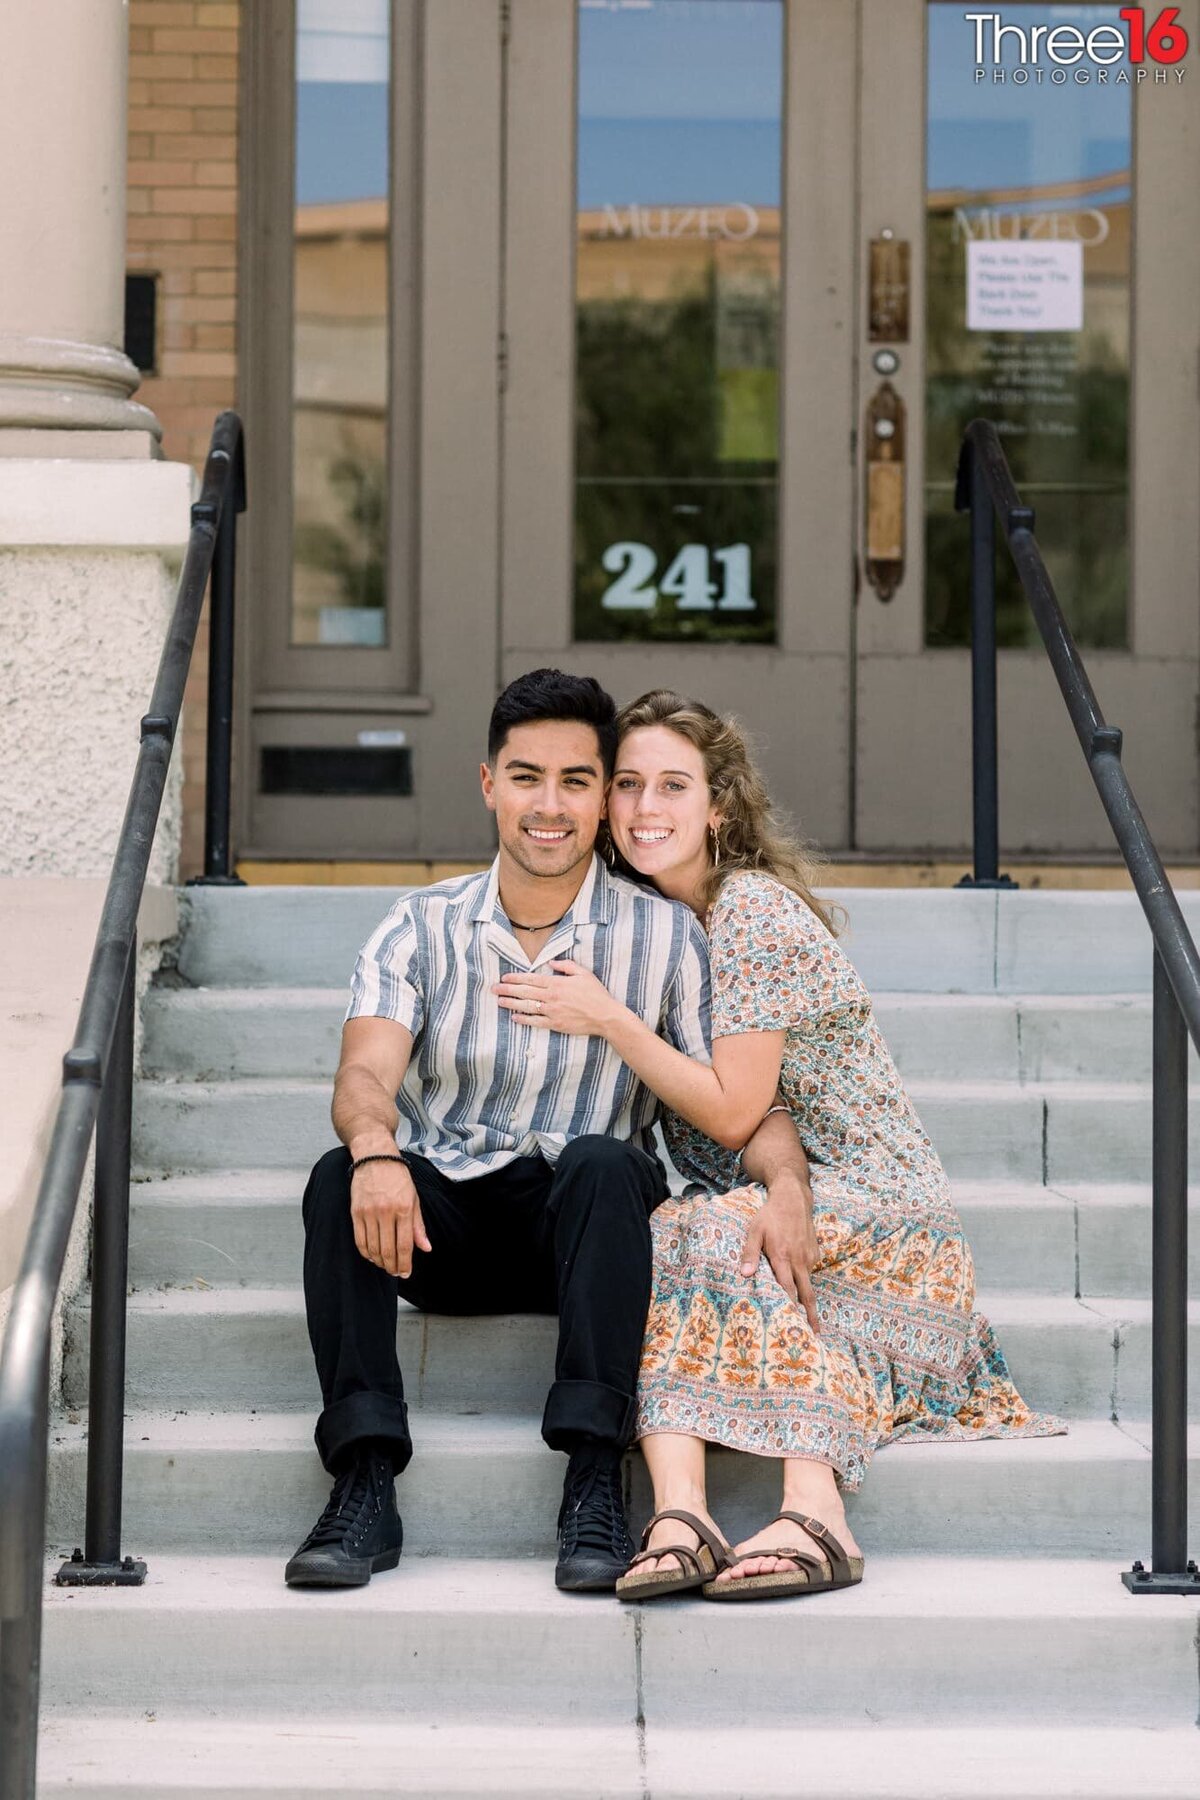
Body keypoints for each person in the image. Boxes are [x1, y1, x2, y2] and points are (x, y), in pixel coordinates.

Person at [496, 689, 1066, 1601]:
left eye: (673, 786)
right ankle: (684, 1517)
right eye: (631, 785)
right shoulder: (647, 926)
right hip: (781, 1193)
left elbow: (732, 1111)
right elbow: (758, 1126)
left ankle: (817, 1513)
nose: (647, 809)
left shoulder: (749, 909)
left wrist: (608, 1019)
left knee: (713, 1231)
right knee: (677, 1230)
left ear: (717, 806)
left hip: (886, 1209)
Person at [285, 669, 809, 1594]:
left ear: (605, 797)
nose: (550, 806)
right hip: (437, 1227)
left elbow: (738, 1099)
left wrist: (789, 1185)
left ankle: (594, 1483)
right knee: (339, 1175)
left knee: (609, 1163)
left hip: (585, 1236)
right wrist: (375, 1153)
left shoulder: (665, 938)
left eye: (577, 780)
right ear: (489, 783)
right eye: (527, 777)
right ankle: (362, 1482)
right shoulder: (420, 926)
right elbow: (365, 1073)